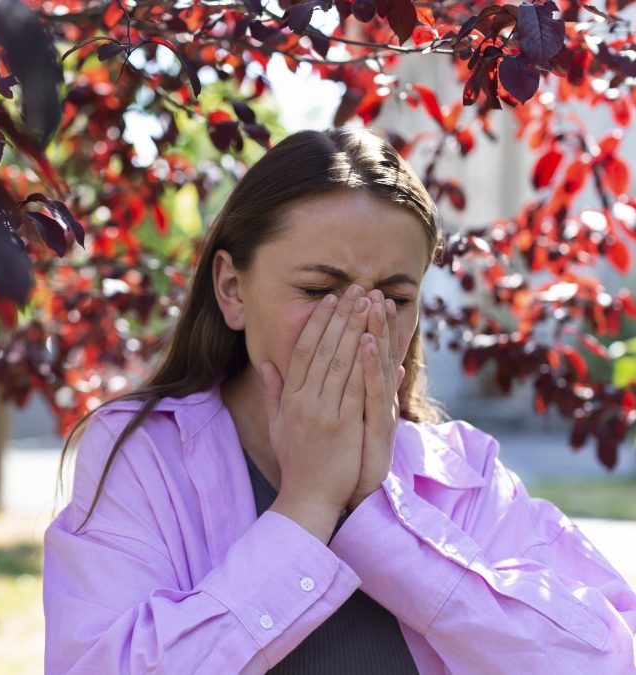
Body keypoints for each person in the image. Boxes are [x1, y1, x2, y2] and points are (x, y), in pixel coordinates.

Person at [41, 127, 636, 673]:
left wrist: (379, 521)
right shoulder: (140, 455)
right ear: (232, 289)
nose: (362, 324)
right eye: (319, 289)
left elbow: (609, 655)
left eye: (396, 298)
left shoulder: (464, 473)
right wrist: (306, 506)